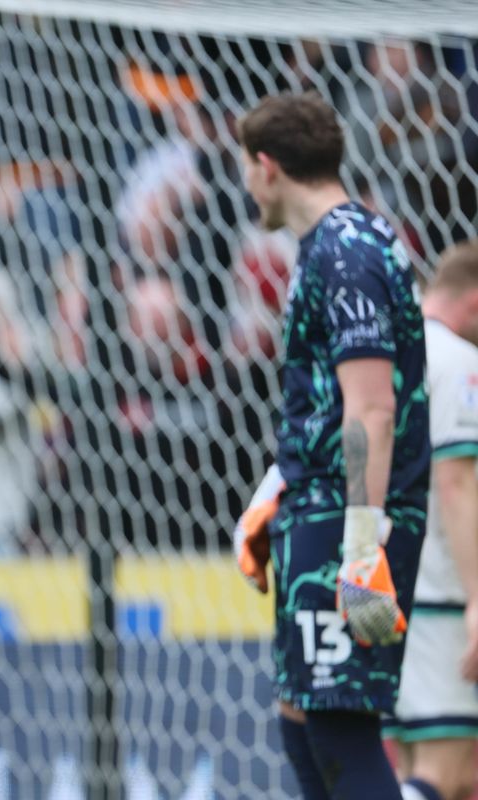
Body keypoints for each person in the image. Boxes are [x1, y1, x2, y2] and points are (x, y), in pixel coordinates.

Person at [232, 92, 430, 798]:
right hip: (318, 508)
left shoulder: (346, 252)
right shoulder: (335, 243)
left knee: (338, 724)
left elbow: (371, 407)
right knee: (303, 720)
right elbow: (324, 403)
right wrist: (273, 495)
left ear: (266, 166)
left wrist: (362, 542)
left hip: (351, 519)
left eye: (245, 168)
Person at [386, 240, 478, 800]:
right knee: (446, 773)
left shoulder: (386, 353)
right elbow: (456, 482)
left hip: (382, 589)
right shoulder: (457, 362)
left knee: (426, 768)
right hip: (436, 595)